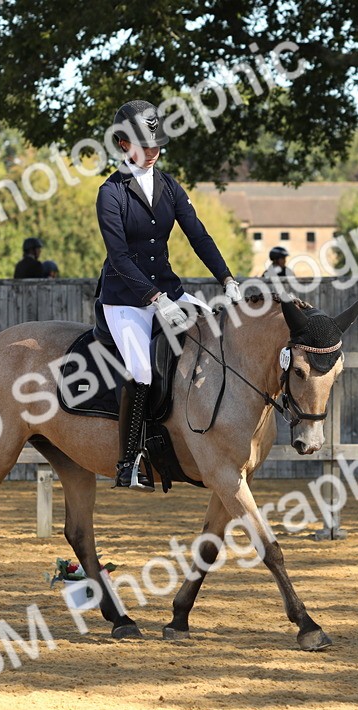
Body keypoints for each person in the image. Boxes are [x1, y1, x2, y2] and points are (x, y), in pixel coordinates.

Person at [96, 99, 242, 491]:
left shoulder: (169, 186)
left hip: (170, 289)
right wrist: (155, 300)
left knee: (217, 334)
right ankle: (128, 462)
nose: (153, 151)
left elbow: (198, 235)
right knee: (142, 371)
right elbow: (119, 257)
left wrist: (227, 279)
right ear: (124, 144)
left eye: (157, 144)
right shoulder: (111, 193)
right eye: (145, 145)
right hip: (126, 299)